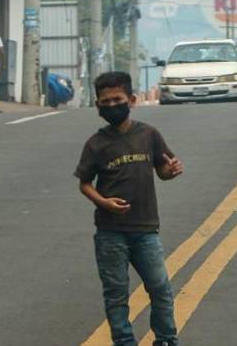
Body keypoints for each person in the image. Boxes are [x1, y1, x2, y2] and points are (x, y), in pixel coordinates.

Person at [75, 71, 185, 346]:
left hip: (146, 230)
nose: (112, 106)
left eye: (117, 99)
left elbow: (163, 170)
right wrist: (103, 202)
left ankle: (166, 339)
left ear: (132, 100)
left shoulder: (148, 135)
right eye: (106, 102)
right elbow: (85, 184)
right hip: (110, 232)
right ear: (98, 106)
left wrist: (171, 170)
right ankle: (124, 341)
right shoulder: (96, 144)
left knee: (160, 287)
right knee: (116, 294)